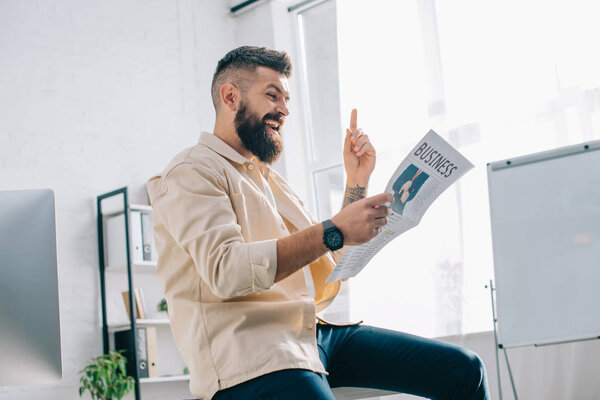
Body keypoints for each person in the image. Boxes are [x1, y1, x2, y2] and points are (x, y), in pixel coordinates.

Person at [147, 46, 490, 400]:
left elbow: (331, 258)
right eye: (272, 95)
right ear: (231, 96)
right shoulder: (190, 172)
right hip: (252, 351)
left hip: (314, 332)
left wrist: (356, 183)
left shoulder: (269, 180)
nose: (284, 109)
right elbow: (226, 271)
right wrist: (336, 229)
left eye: (287, 98)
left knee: (464, 370)